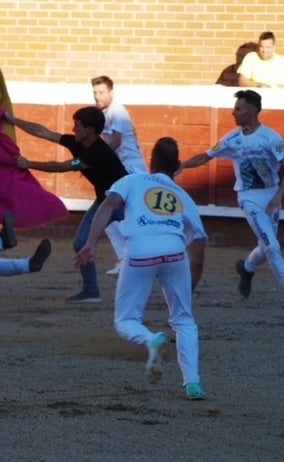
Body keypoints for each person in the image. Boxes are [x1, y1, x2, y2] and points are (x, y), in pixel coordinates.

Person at [73, 137, 208, 400]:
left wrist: (91, 242)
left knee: (126, 321)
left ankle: (151, 340)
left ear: (151, 162)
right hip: (175, 252)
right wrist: (190, 284)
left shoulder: (132, 181)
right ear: (178, 166)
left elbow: (108, 204)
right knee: (184, 319)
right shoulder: (183, 196)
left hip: (140, 251)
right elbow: (199, 246)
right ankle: (193, 384)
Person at [179, 90, 284, 309]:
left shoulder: (272, 138)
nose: (233, 113)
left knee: (266, 246)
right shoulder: (231, 139)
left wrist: (278, 196)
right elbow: (205, 157)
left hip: (271, 194)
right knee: (272, 246)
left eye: (238, 108)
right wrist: (181, 166)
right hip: (249, 199)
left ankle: (246, 269)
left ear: (252, 111)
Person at [4, 106, 128, 303]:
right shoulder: (78, 142)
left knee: (144, 239)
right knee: (80, 242)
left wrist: (29, 164)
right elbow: (44, 133)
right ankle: (91, 291)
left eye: (77, 126)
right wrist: (13, 120)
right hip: (106, 200)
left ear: (89, 130)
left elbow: (61, 167)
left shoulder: (97, 153)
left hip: (125, 202)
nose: (73, 129)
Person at [91, 75, 147, 276]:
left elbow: (115, 141)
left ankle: (131, 258)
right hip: (124, 169)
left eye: (101, 92)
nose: (97, 96)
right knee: (111, 215)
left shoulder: (117, 111)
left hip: (130, 169)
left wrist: (95, 159)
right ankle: (127, 258)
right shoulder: (108, 112)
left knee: (113, 213)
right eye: (95, 93)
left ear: (111, 92)